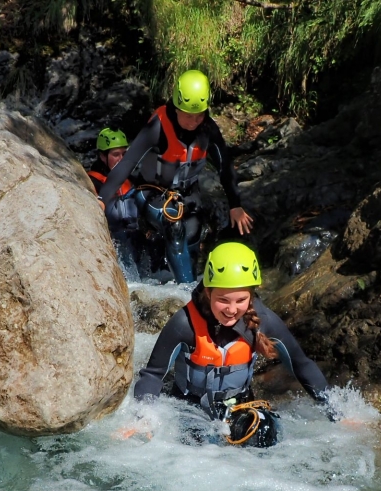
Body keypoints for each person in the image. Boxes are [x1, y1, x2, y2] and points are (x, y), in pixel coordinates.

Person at [133, 242, 330, 447]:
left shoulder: (263, 320)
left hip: (238, 407)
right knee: (195, 449)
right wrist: (144, 418)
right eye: (223, 300)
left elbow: (301, 364)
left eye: (241, 300)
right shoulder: (185, 324)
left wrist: (337, 414)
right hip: (189, 410)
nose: (232, 310)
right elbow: (153, 374)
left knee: (264, 432)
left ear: (251, 296)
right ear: (208, 292)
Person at [98, 69, 254, 283]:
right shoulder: (157, 127)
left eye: (199, 115)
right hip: (150, 193)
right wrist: (101, 199)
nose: (194, 121)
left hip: (188, 195)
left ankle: (171, 278)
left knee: (192, 237)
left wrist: (235, 205)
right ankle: (187, 293)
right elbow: (128, 162)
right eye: (188, 115)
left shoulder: (208, 129)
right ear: (177, 107)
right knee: (175, 225)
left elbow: (225, 167)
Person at [88, 128, 146, 275]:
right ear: (102, 156)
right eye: (115, 155)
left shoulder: (131, 179)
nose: (121, 159)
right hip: (114, 238)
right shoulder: (92, 181)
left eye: (124, 154)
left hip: (135, 237)